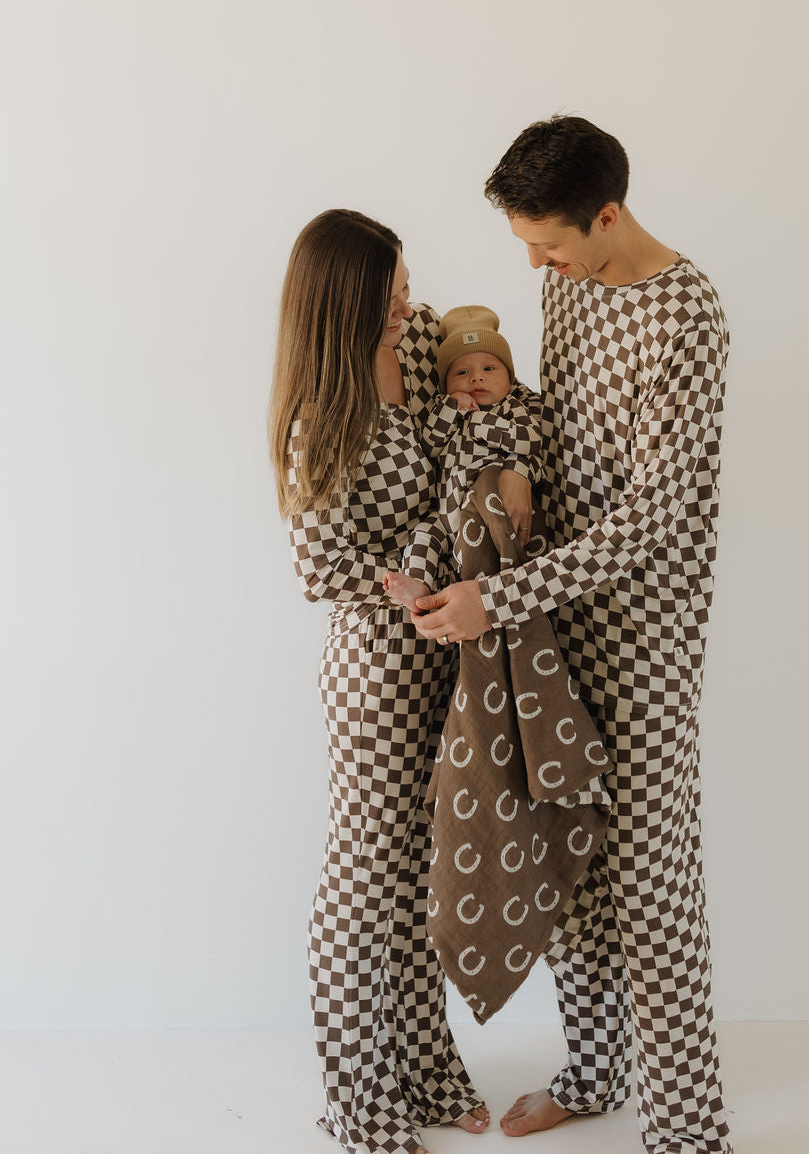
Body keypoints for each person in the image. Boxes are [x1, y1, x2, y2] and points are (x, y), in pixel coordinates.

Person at [413, 119, 734, 1154]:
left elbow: (649, 519)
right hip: (551, 623)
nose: (532, 263)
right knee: (574, 871)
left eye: (546, 242)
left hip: (640, 637)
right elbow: (548, 436)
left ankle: (689, 1134)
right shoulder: (564, 280)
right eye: (522, 244)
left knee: (653, 890)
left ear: (607, 215)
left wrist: (495, 601)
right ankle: (595, 1073)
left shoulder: (687, 314)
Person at [268, 209, 491, 1154]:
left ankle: (428, 1070)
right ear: (345, 300)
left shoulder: (426, 336)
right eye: (391, 289)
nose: (409, 300)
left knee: (422, 882)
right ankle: (360, 1100)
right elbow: (319, 568)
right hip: (379, 674)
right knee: (366, 884)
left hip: (448, 657)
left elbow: (486, 373)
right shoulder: (323, 418)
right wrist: (410, 580)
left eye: (405, 279)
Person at [383, 304, 543, 614]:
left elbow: (530, 441)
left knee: (496, 554)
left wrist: (480, 423)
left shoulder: (512, 409)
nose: (476, 379)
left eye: (488, 369)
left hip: (486, 510)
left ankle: (499, 602)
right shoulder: (447, 410)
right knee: (422, 536)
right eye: (462, 372)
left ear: (509, 381)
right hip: (445, 512)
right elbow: (429, 445)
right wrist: (451, 408)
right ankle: (418, 584)